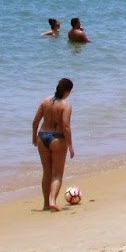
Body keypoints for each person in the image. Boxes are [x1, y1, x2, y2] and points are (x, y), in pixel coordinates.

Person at [31, 77, 75, 211]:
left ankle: (45, 204)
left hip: (42, 136)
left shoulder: (45, 101)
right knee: (57, 174)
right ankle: (53, 200)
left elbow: (35, 121)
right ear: (67, 91)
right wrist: (70, 146)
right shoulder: (65, 105)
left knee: (46, 172)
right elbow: (66, 126)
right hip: (57, 138)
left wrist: (34, 136)